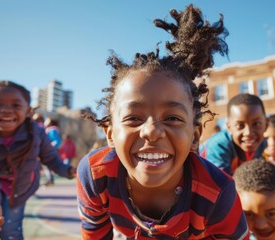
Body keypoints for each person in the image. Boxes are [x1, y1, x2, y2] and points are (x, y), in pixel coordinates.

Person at [76, 4, 249, 239]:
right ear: (110, 134)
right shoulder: (96, 176)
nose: (152, 131)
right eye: (133, 118)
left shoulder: (218, 193)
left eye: (172, 118)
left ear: (195, 136)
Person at [0, 80, 76, 240]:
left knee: (11, 232)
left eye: (15, 105)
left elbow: (51, 158)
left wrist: (68, 170)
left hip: (17, 189)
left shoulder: (37, 133)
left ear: (28, 111)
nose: (6, 111)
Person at [200, 93, 268, 175]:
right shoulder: (219, 145)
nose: (248, 133)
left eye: (256, 124)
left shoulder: (263, 144)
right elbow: (223, 184)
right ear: (229, 127)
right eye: (240, 125)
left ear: (266, 124)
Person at [42, 116, 62, 186]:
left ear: (50, 122)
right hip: (49, 149)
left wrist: (50, 146)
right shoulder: (48, 130)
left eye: (46, 120)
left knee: (47, 165)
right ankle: (50, 179)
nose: (45, 121)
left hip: (50, 150)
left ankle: (50, 180)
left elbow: (57, 141)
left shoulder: (52, 130)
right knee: (47, 165)